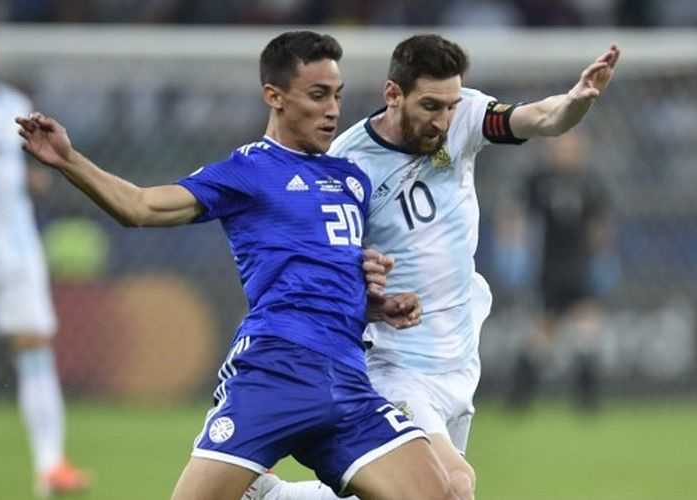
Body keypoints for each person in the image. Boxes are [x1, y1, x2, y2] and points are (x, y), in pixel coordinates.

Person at [16, 30, 470, 500]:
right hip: (277, 369)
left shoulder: (351, 179)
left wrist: (374, 305)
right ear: (274, 97)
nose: (333, 109)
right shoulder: (249, 171)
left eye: (336, 95)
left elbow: (324, 270)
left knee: (448, 493)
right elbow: (141, 207)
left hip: (348, 378)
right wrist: (70, 162)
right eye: (317, 96)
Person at [247, 34, 620, 499]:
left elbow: (542, 117)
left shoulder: (464, 114)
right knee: (452, 488)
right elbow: (321, 266)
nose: (443, 120)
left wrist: (575, 100)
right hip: (394, 360)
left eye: (450, 105)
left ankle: (272, 496)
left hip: (459, 353)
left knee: (410, 493)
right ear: (392, 94)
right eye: (430, 106)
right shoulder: (348, 165)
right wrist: (363, 282)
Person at [0, 20, 90, 498]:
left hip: (17, 251)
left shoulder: (15, 107)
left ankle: (50, 466)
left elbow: (13, 170)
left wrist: (31, 180)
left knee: (36, 347)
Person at [507, 131, 615, 411]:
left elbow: (599, 224)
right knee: (545, 328)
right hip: (549, 266)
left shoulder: (590, 182)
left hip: (580, 264)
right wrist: (513, 249)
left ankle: (586, 394)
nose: (567, 153)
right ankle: (521, 389)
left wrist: (602, 257)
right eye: (562, 147)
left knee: (586, 323)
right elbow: (516, 214)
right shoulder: (538, 180)